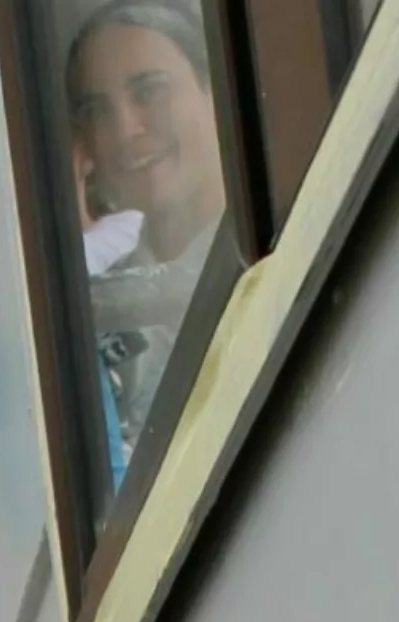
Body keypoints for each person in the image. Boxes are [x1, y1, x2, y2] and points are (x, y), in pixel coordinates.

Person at [67, 1, 239, 483]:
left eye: (150, 91)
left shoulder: (278, 237)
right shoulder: (94, 312)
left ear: (214, 91)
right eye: (96, 112)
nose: (126, 130)